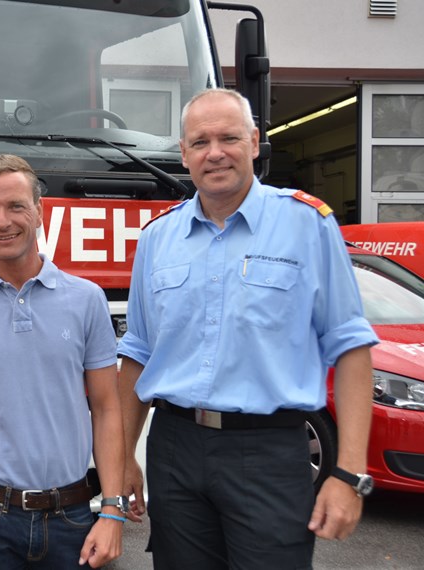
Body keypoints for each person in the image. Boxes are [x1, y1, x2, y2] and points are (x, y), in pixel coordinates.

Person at [117, 88, 379, 569]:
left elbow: (351, 347)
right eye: (199, 142)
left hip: (268, 452)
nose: (214, 153)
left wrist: (348, 472)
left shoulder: (307, 224)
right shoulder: (157, 238)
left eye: (228, 138)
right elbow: (136, 353)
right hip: (174, 448)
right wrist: (122, 457)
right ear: (183, 153)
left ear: (255, 142)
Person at [0, 154, 126, 570]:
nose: (2, 221)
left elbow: (107, 408)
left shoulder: (87, 300)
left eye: (16, 206)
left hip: (72, 517)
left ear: (39, 211)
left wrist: (112, 510)